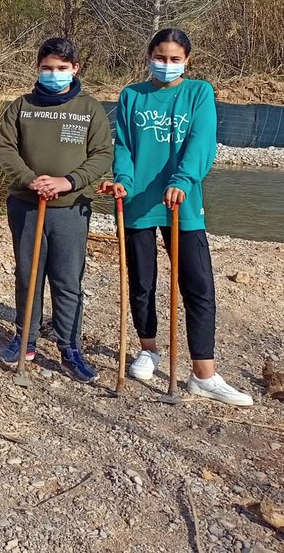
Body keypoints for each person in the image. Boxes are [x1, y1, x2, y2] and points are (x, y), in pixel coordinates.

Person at [103, 28, 252, 406]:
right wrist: (123, 180)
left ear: (187, 60)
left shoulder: (198, 92)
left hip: (181, 202)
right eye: (159, 57)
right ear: (149, 56)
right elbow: (123, 144)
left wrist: (183, 179)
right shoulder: (131, 95)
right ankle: (148, 349)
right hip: (137, 201)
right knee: (142, 281)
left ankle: (203, 373)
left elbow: (202, 141)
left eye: (174, 59)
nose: (166, 65)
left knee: (198, 286)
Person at [0, 38, 112, 383]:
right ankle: (25, 338)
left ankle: (69, 346)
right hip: (26, 205)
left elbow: (102, 155)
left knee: (67, 279)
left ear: (75, 69)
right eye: (47, 68)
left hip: (70, 208)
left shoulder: (90, 108)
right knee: (28, 274)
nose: (54, 74)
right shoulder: (22, 106)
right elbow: (6, 149)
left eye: (62, 68)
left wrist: (69, 181)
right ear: (38, 68)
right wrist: (30, 180)